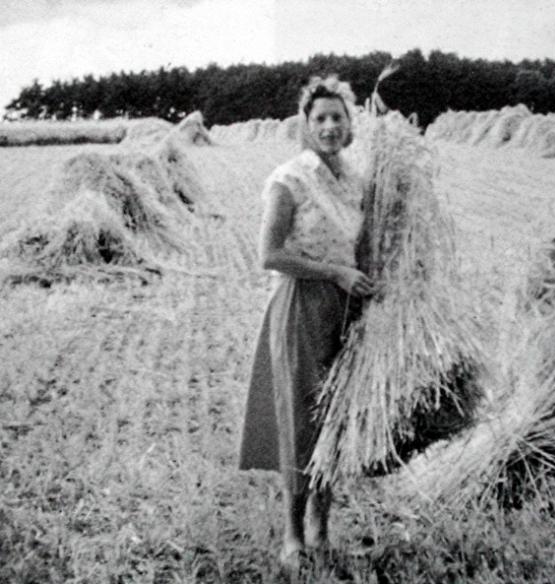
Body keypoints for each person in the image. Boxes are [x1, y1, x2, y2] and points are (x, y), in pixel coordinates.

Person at [238, 75, 375, 569]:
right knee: (301, 422)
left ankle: (322, 529)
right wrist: (335, 273)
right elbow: (269, 254)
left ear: (349, 124)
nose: (330, 126)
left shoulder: (355, 181)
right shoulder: (289, 179)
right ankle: (292, 537)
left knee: (334, 422)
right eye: (320, 118)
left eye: (338, 117)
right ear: (305, 125)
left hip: (346, 309)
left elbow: (361, 245)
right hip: (302, 307)